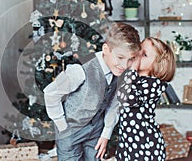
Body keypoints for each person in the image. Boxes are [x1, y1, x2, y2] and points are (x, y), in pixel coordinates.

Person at [43, 22, 141, 161]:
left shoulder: (120, 73)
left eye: (130, 59)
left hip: (96, 131)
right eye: (120, 58)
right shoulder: (80, 70)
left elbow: (114, 104)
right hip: (71, 132)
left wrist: (106, 133)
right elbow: (51, 93)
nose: (124, 65)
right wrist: (61, 125)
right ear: (106, 49)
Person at [115, 37, 176, 161]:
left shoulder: (154, 84)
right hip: (128, 142)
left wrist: (132, 70)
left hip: (145, 145)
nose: (137, 55)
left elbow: (126, 98)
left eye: (144, 54)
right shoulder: (133, 79)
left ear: (156, 64)